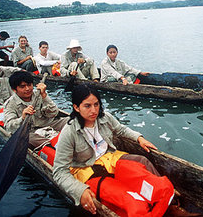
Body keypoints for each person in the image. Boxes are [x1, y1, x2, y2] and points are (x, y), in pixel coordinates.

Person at [53, 84, 174, 216]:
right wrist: (79, 191)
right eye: (87, 106)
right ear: (76, 107)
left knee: (141, 161)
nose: (94, 110)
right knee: (128, 199)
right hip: (87, 169)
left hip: (110, 158)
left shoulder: (105, 118)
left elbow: (121, 129)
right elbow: (59, 172)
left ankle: (170, 203)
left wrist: (139, 138)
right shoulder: (69, 132)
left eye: (96, 104)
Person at [4, 71, 68, 149]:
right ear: (14, 89)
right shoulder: (10, 104)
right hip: (30, 132)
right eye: (22, 86)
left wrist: (44, 96)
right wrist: (22, 118)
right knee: (29, 139)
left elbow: (54, 113)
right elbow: (9, 127)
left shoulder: (40, 94)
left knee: (71, 121)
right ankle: (53, 147)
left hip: (48, 124)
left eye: (29, 85)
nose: (27, 89)